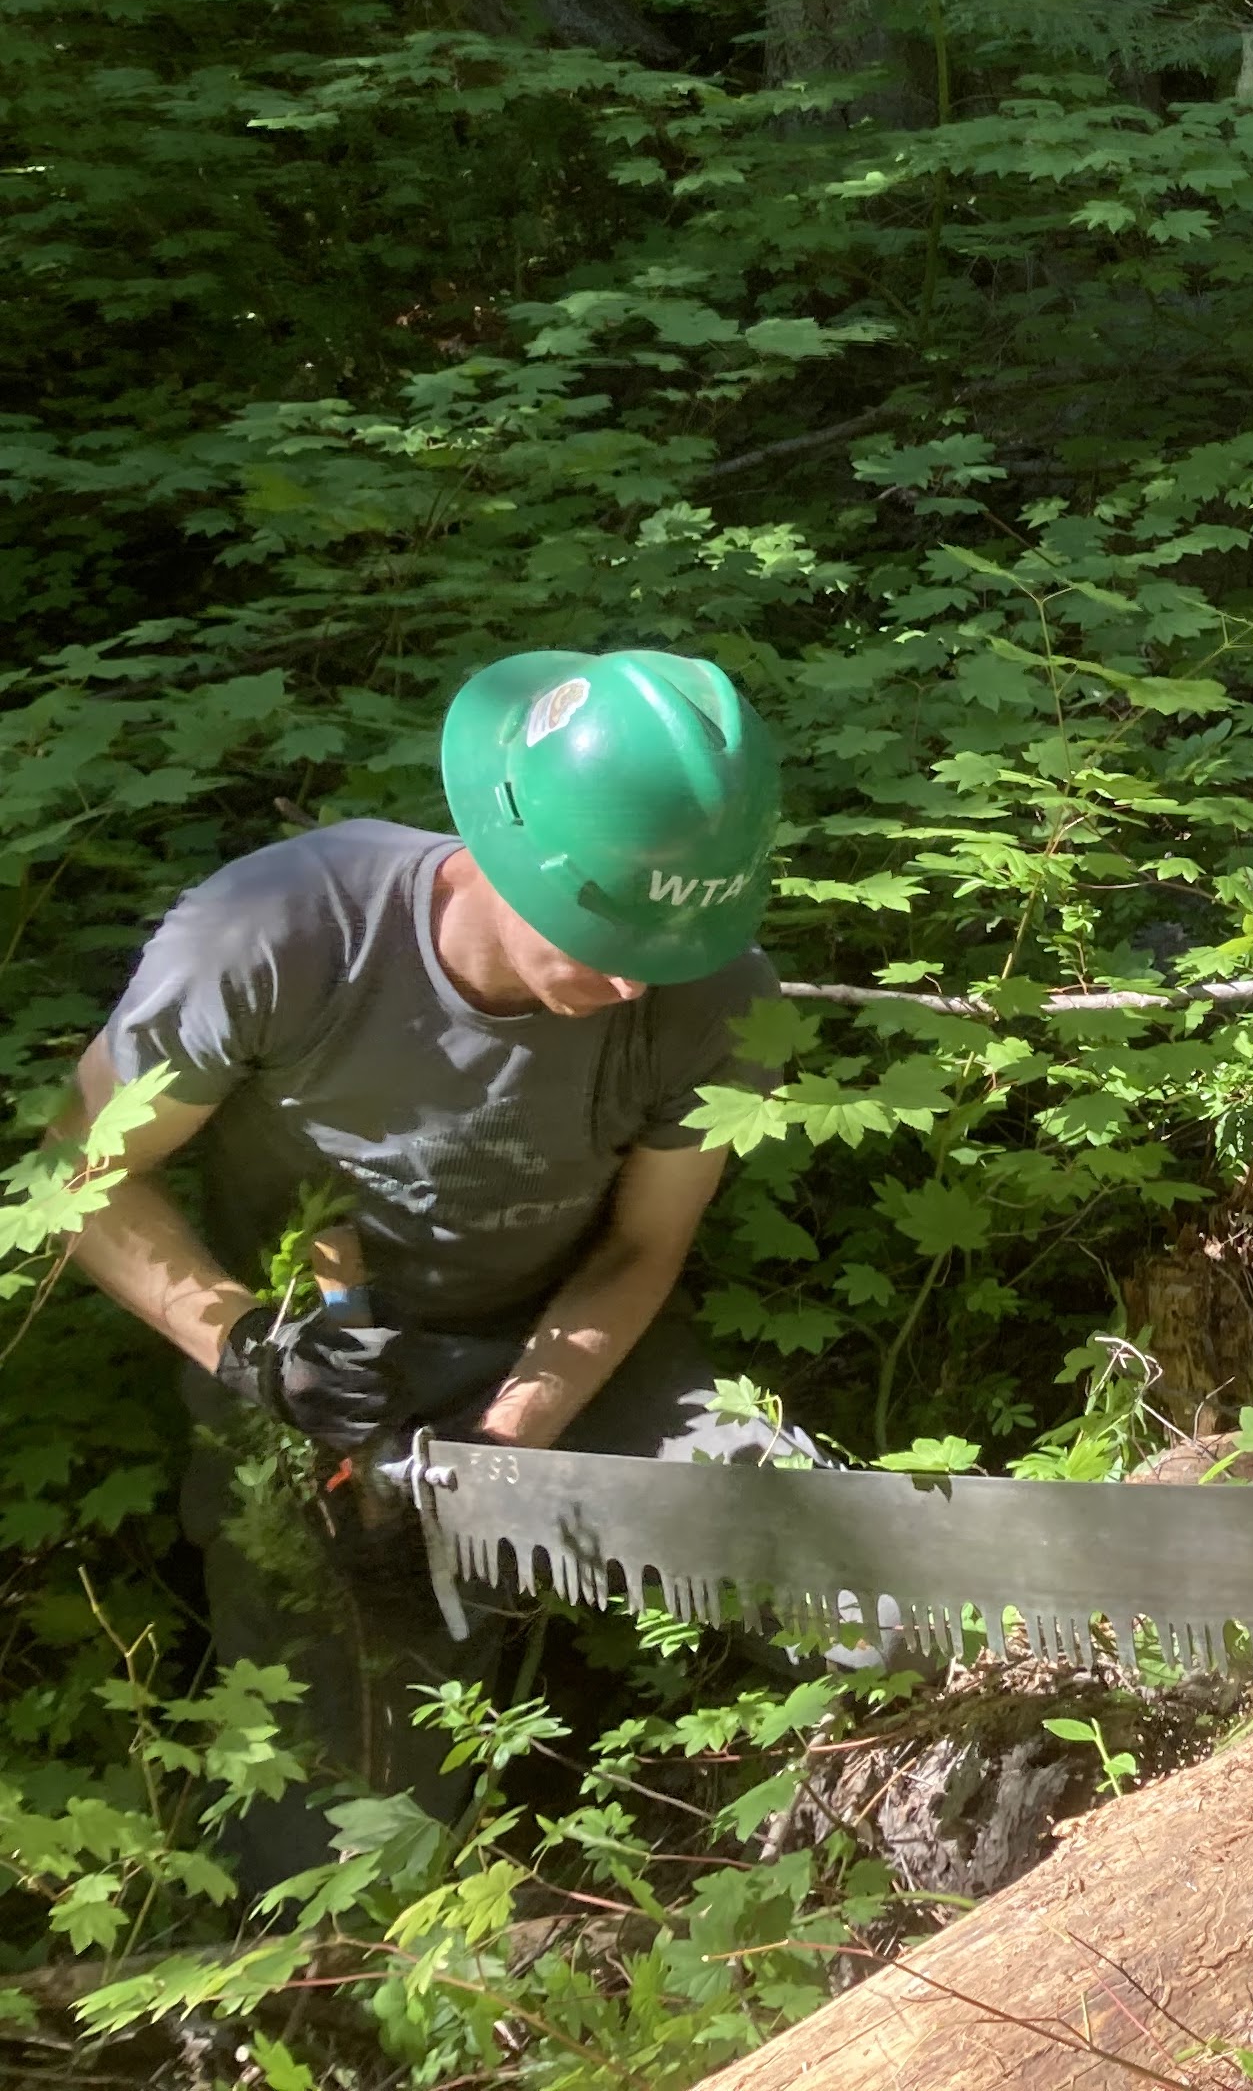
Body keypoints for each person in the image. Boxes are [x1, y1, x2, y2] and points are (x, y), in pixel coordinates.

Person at [50, 648, 797, 1879]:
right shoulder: (279, 932)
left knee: (822, 1553)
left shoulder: (714, 994)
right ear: (501, 855)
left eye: (667, 944)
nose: (628, 982)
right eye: (601, 931)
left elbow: (641, 1245)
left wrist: (512, 1441)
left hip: (567, 1349)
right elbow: (80, 1174)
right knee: (338, 1838)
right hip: (315, 1379)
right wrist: (245, 1345)